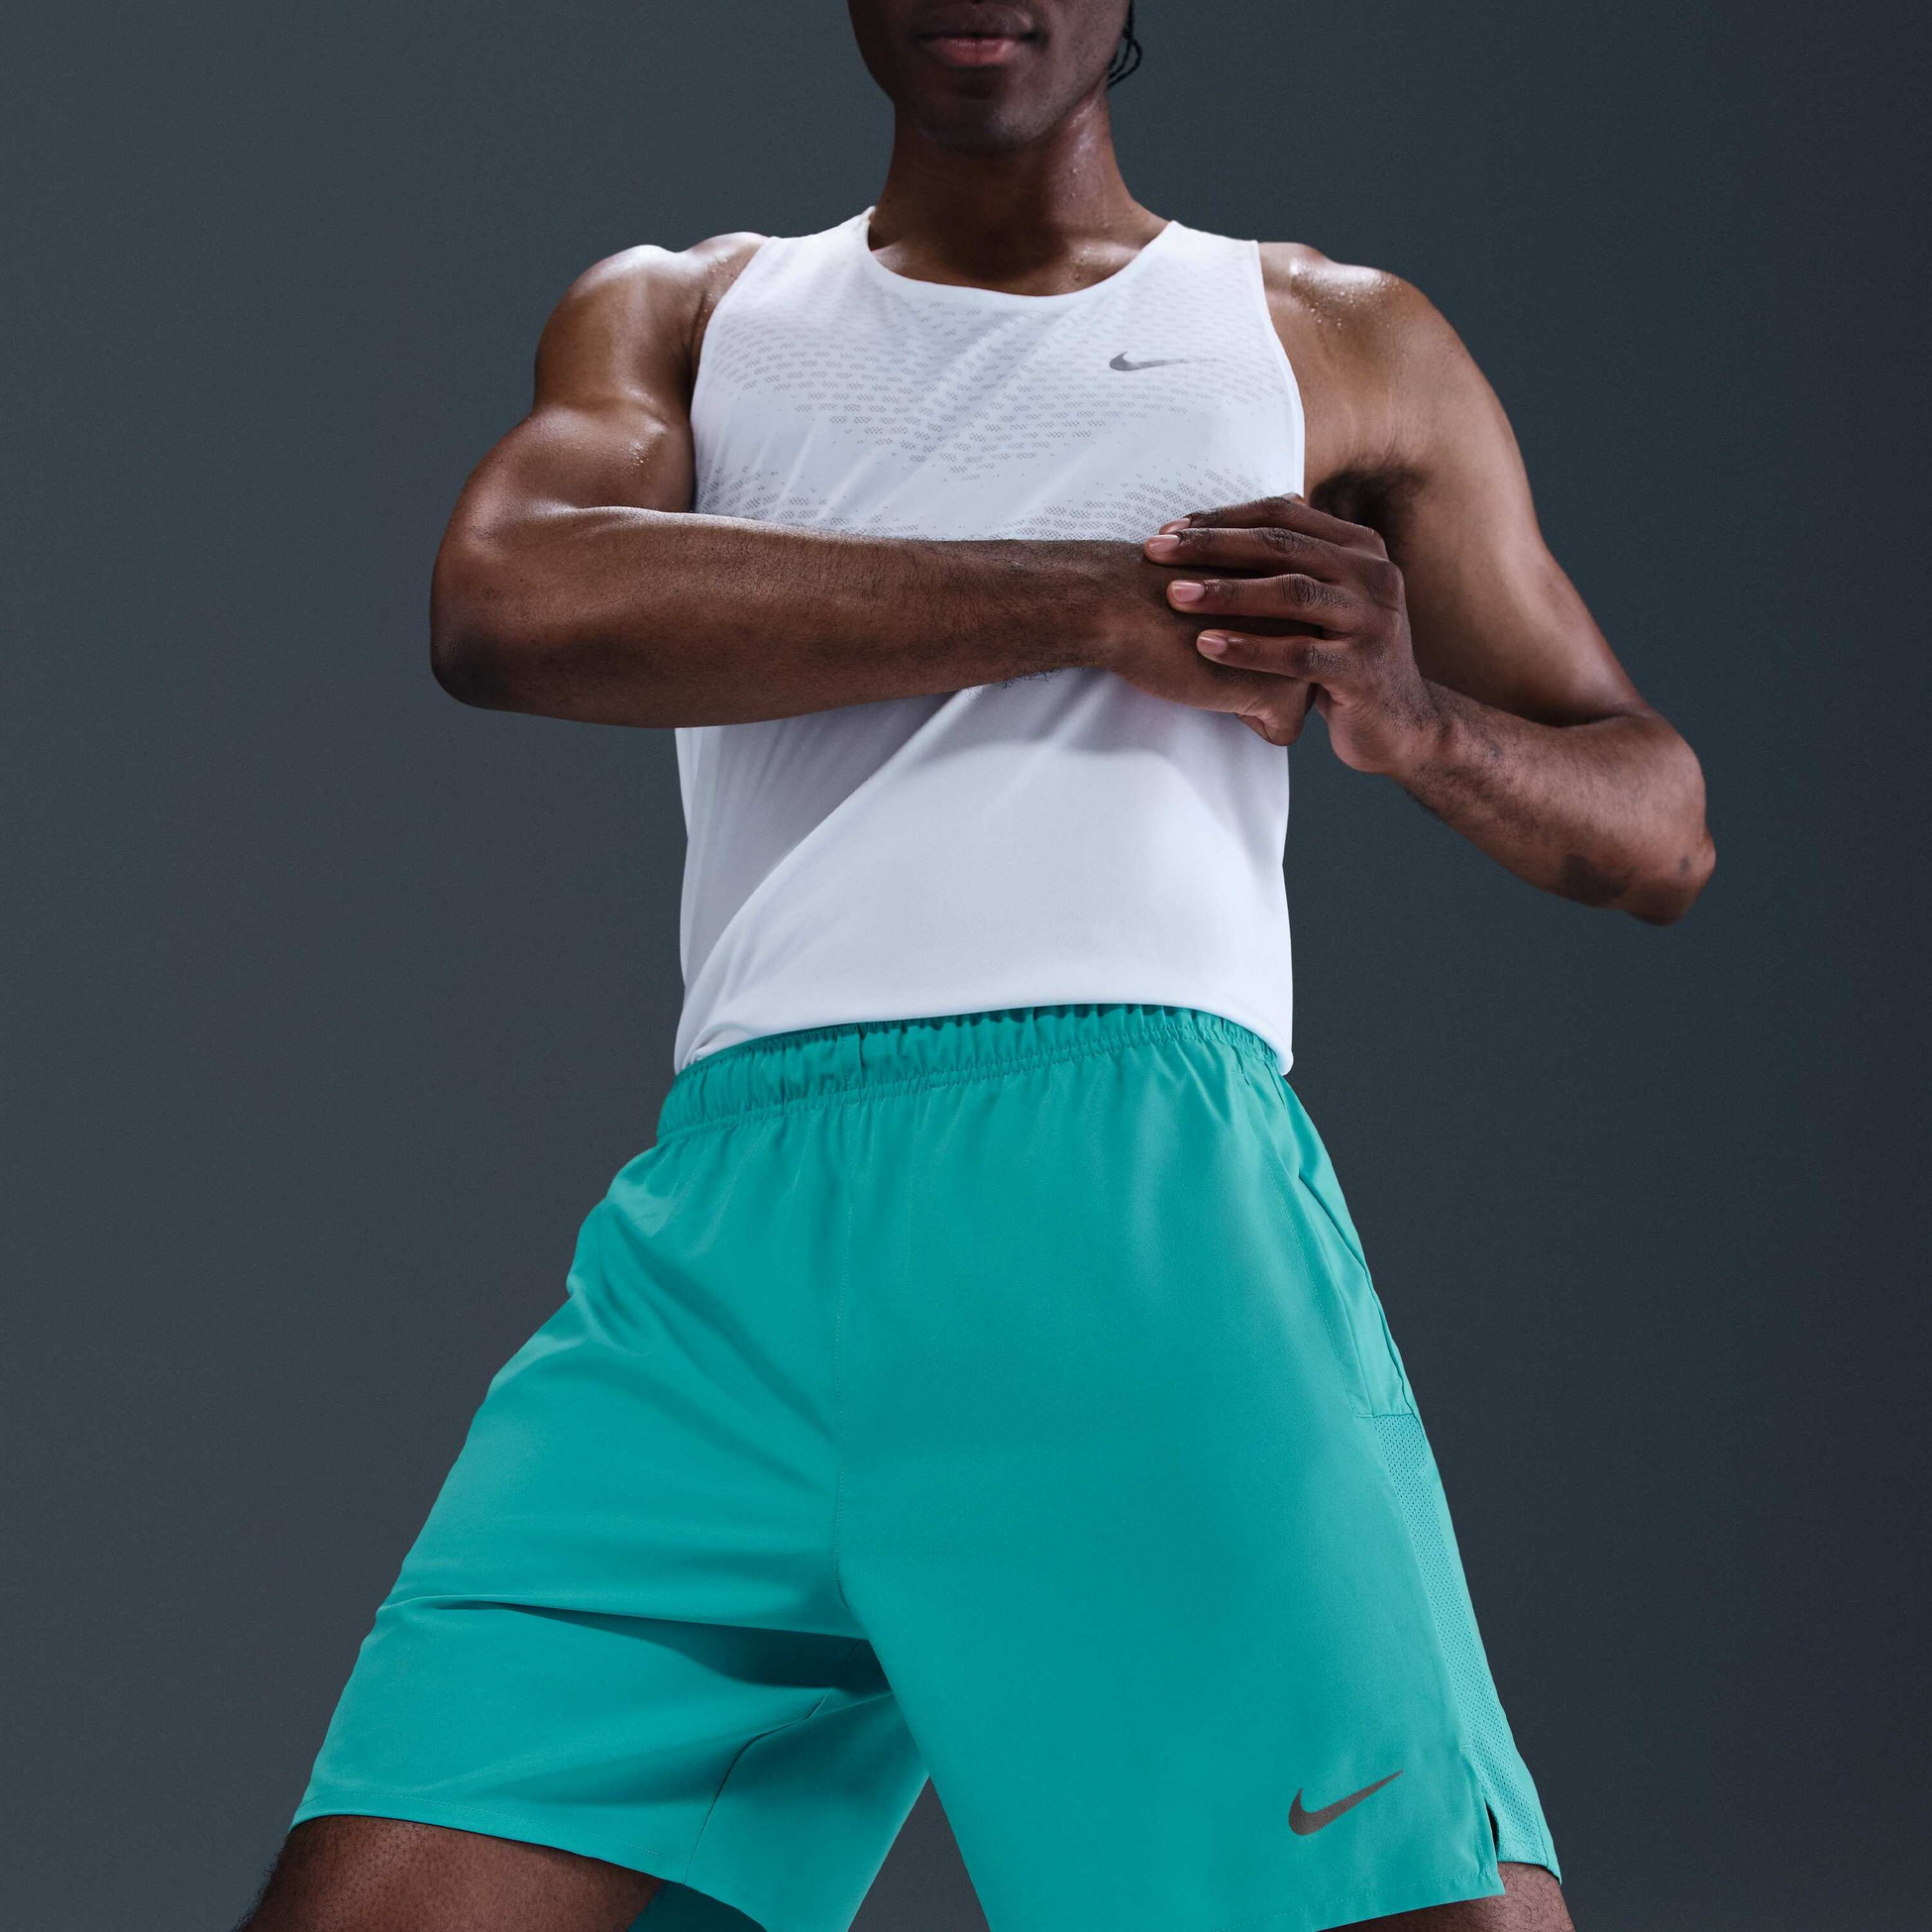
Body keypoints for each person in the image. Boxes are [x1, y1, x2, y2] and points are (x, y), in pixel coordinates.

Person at [239, 3, 1713, 1928]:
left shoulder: (1326, 333)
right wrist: (1095, 600)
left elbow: (1653, 823)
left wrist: (1414, 716)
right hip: (722, 1263)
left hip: (1129, 1216)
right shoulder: (685, 310)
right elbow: (505, 599)